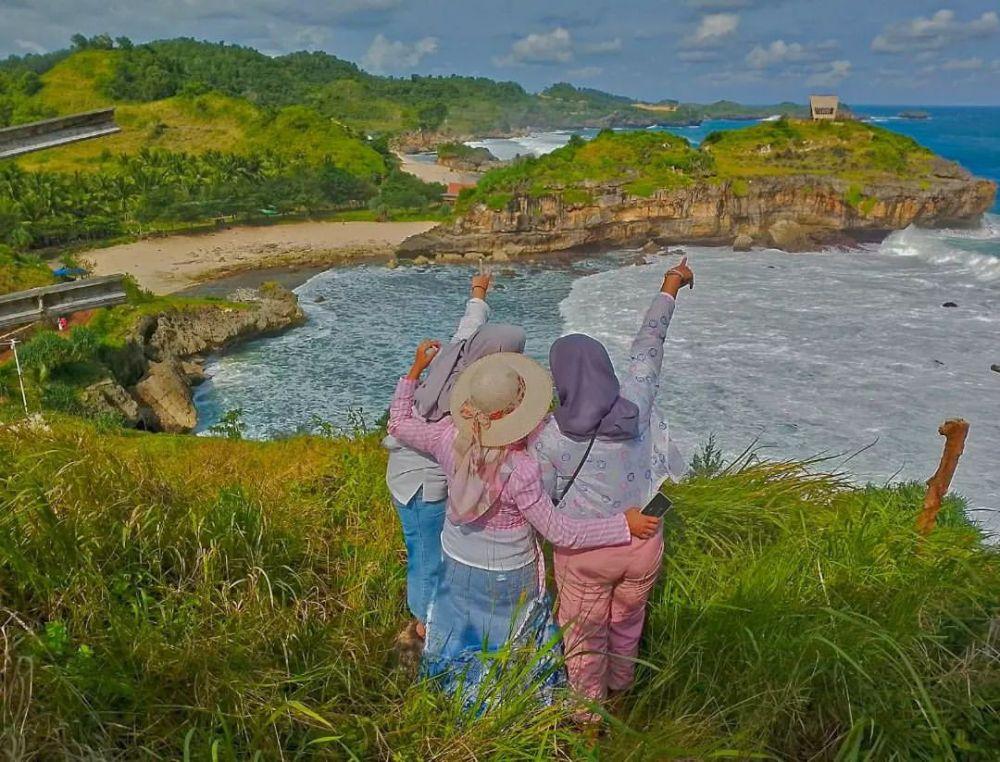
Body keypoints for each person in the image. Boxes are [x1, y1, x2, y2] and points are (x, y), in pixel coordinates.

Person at [387, 345, 660, 710]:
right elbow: (562, 533)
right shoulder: (522, 469)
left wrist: (414, 370)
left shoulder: (448, 438)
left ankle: (458, 693)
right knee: (509, 640)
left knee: (464, 629)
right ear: (515, 414)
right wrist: (622, 525)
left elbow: (399, 424)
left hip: (456, 557)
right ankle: (507, 704)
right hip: (508, 571)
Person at [530, 257, 694, 713]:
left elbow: (542, 499)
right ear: (604, 369)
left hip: (586, 552)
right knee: (627, 620)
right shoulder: (635, 404)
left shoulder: (551, 436)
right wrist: (670, 285)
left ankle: (588, 716)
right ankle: (622, 692)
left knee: (584, 634)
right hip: (644, 540)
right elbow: (648, 349)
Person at [383, 273, 525, 644]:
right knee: (426, 555)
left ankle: (439, 616)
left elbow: (469, 325)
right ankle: (423, 626)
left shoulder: (459, 354)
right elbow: (399, 424)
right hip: (417, 482)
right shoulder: (460, 404)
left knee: (439, 554)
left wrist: (479, 292)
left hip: (438, 476)